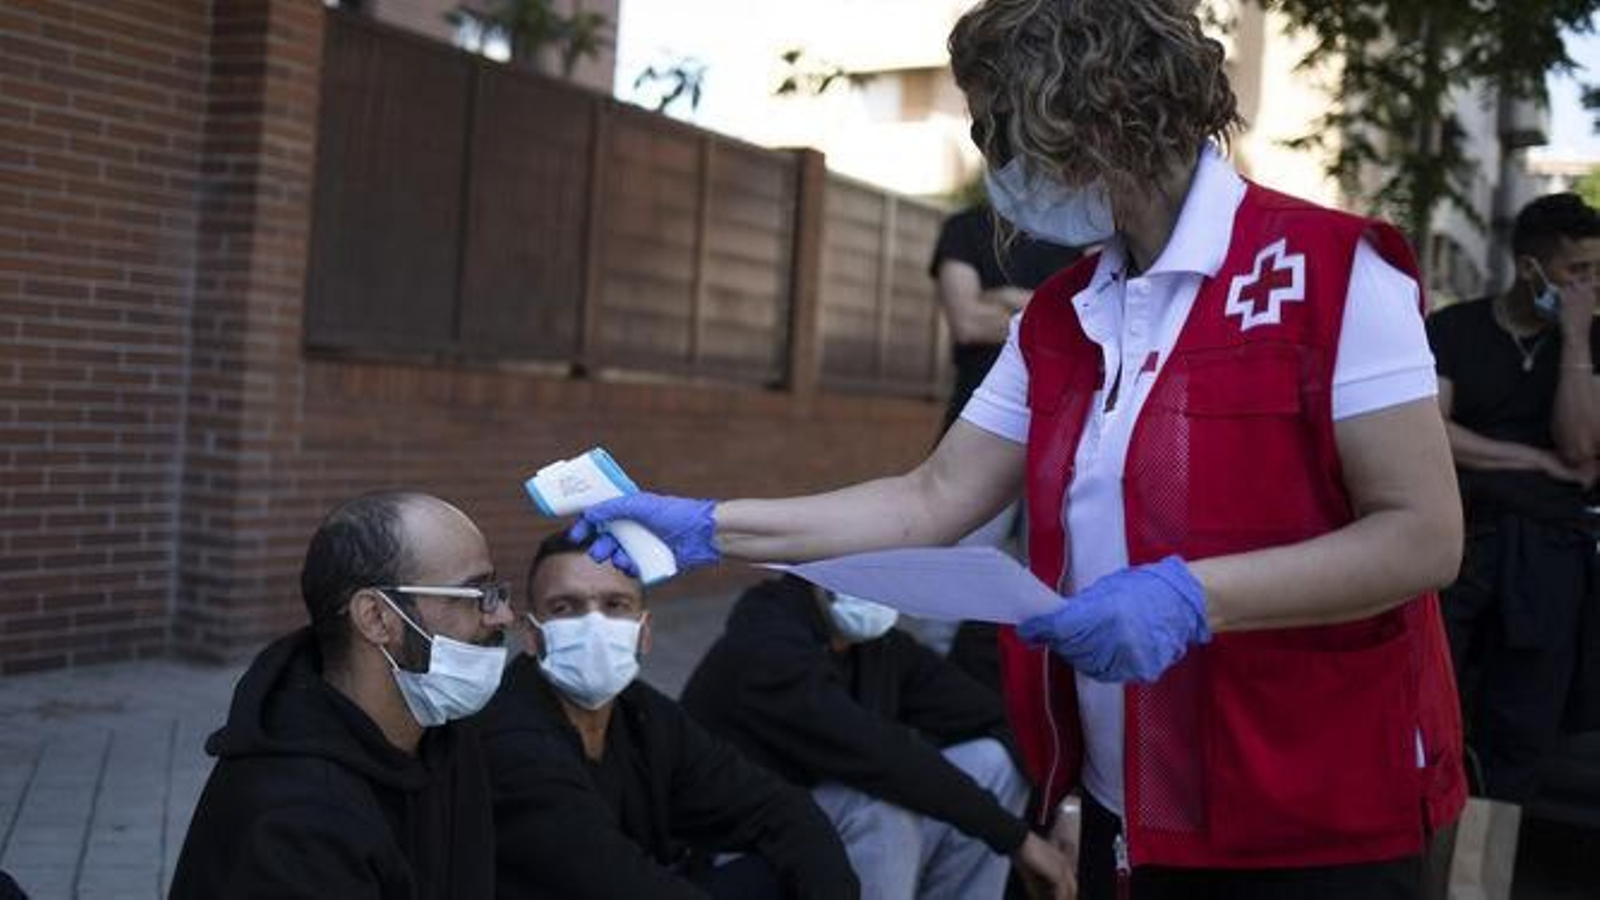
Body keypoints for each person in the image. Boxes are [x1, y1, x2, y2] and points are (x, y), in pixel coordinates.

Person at [572, 1, 1467, 897]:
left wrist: (1198, 598)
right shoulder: (1061, 316)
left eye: (1001, 125)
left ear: (1102, 112)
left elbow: (1423, 534)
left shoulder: (1331, 269)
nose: (994, 162)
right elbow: (931, 499)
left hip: (1310, 812)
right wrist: (709, 524)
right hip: (1132, 807)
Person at [170, 492, 513, 900]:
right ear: (376, 617)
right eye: (475, 596)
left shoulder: (442, 732)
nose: (502, 615)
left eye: (495, 591)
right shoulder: (298, 821)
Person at [478, 533, 858, 900]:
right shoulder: (510, 740)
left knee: (784, 869)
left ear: (644, 632)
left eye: (615, 605)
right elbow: (615, 883)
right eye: (565, 607)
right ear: (531, 634)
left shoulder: (644, 714)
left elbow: (778, 808)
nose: (593, 626)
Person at [681, 575, 1049, 900]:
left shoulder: (880, 648)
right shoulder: (766, 647)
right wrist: (1017, 839)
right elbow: (882, 759)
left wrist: (1068, 807)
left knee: (996, 763)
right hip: (739, 855)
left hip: (828, 836)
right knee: (877, 807)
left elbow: (994, 717)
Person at [1426, 192, 1600, 804]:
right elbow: (1430, 434)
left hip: (1547, 557)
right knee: (1431, 706)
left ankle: (1481, 878)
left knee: (1519, 729)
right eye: (1578, 272)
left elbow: (1581, 451)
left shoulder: (1590, 341)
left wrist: (1577, 340)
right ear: (1532, 270)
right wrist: (1533, 459)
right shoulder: (1455, 329)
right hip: (1458, 540)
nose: (1591, 286)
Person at [926, 203, 1081, 687]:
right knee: (948, 596)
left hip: (1065, 441)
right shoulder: (965, 229)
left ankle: (1039, 707)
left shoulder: (1083, 229)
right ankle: (936, 702)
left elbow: (1093, 321)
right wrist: (1049, 308)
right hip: (977, 436)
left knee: (1055, 586)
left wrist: (1009, 300)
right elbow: (968, 322)